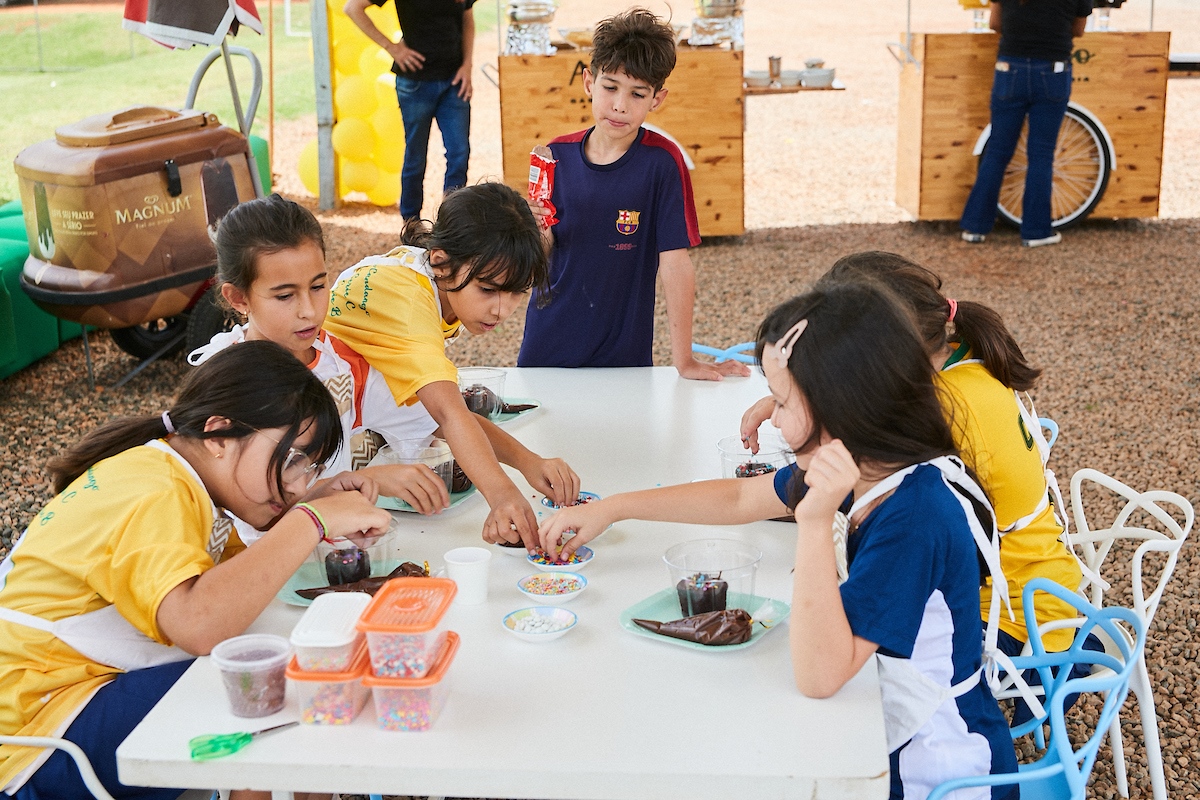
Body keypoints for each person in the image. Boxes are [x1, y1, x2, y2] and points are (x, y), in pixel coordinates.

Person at [538, 282, 1018, 800]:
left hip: (934, 768)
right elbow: (739, 501)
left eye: (782, 402)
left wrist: (813, 525)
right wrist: (612, 507)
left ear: (844, 408)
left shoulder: (915, 515)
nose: (773, 418)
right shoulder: (863, 464)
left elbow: (819, 675)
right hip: (873, 715)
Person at [0, 342, 390, 800]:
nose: (297, 484)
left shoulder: (168, 475)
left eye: (307, 468)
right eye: (291, 461)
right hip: (40, 738)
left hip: (65, 706)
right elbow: (201, 625)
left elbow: (234, 584)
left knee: (277, 677)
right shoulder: (155, 491)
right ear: (218, 435)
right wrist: (313, 520)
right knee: (271, 686)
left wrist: (310, 504)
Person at [741, 252, 1083, 670]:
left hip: (1017, 630)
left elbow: (826, 668)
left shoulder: (935, 420)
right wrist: (790, 400)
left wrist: (800, 403)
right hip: (1038, 587)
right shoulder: (959, 363)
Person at [322, 182, 580, 548]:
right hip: (304, 420)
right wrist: (502, 495)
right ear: (442, 261)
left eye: (516, 293)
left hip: (347, 400)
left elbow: (443, 414)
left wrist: (528, 462)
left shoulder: (433, 281)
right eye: (489, 290)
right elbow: (448, 414)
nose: (501, 310)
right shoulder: (411, 304)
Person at [189, 193, 453, 528]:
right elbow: (248, 520)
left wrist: (524, 461)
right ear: (239, 298)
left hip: (336, 556)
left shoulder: (341, 363)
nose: (310, 311)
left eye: (318, 286)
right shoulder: (219, 384)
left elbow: (438, 420)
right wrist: (368, 480)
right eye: (285, 296)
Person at [518, 8, 749, 382]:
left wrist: (684, 359)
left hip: (623, 354)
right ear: (588, 82)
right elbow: (537, 257)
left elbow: (675, 263)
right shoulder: (553, 156)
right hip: (547, 344)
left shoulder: (662, 163)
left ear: (657, 98)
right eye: (610, 87)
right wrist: (532, 229)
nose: (620, 105)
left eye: (637, 93)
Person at [959, 0, 1092, 247]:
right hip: (1053, 70)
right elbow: (1078, 29)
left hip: (1010, 68)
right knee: (1041, 154)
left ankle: (975, 227)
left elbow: (995, 23)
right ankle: (1036, 232)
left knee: (997, 150)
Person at [344, 0, 475, 221]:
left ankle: (453, 224)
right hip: (415, 84)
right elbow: (352, 8)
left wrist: (468, 65)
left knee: (459, 154)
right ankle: (411, 223)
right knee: (416, 157)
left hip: (455, 81)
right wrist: (392, 48)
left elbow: (467, 20)